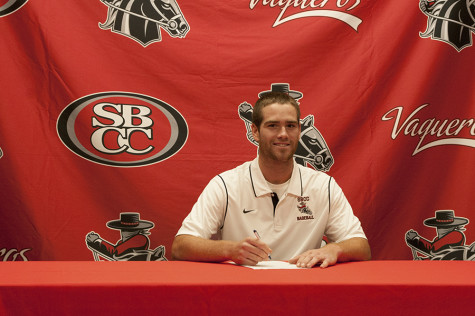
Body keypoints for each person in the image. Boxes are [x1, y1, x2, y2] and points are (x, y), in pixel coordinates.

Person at [171, 92, 371, 268]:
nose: (283, 134)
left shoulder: (323, 185)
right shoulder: (225, 184)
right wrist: (229, 250)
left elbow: (361, 247)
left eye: (290, 125)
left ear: (299, 130)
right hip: (241, 293)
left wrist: (334, 250)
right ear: (255, 132)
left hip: (304, 294)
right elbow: (181, 247)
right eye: (273, 125)